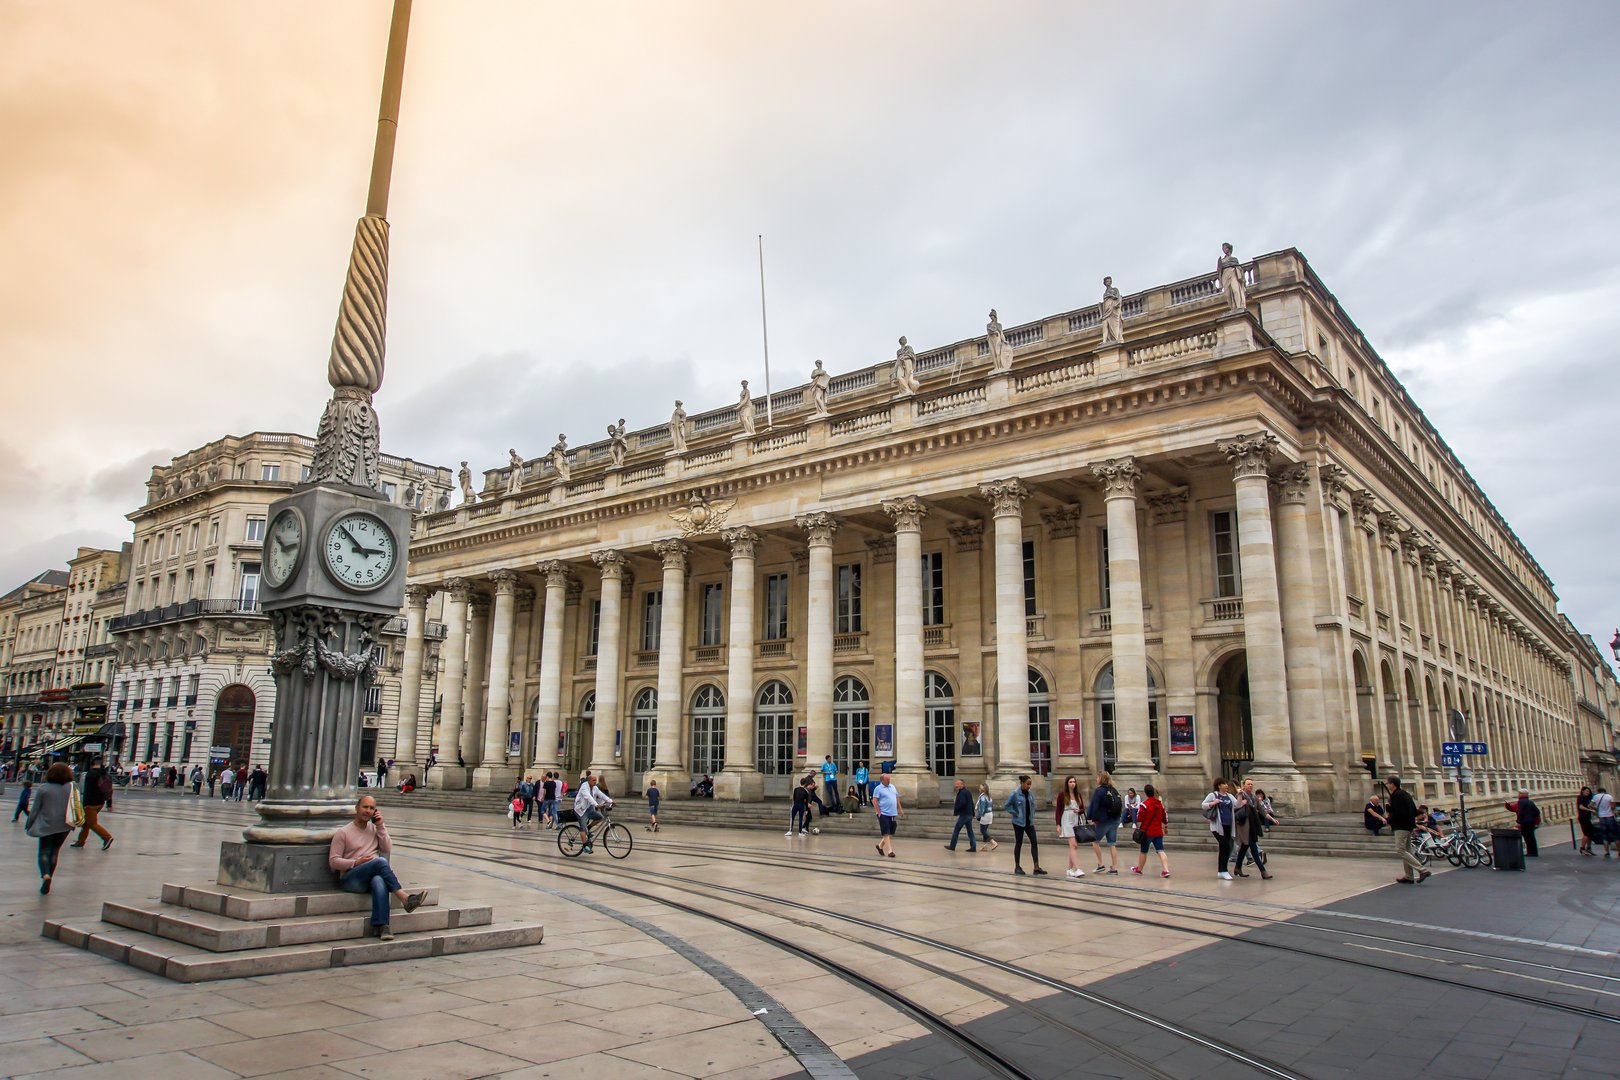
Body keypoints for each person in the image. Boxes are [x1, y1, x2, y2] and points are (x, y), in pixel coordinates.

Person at [329, 795, 427, 940]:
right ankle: (404, 897)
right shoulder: (343, 832)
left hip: (371, 876)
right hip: (351, 878)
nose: (368, 811)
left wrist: (380, 825)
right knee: (380, 862)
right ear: (356, 808)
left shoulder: (375, 829)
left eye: (371, 808)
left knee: (378, 881)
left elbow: (386, 848)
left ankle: (382, 926)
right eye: (365, 807)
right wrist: (356, 862)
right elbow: (333, 861)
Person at [27, 762, 76, 894]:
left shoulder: (44, 788)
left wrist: (29, 824)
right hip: (64, 825)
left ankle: (45, 876)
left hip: (46, 825)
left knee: (44, 851)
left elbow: (35, 810)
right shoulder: (71, 788)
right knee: (55, 851)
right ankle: (50, 877)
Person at [1384, 775, 1430, 885]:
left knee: (1400, 850)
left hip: (1401, 826)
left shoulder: (1397, 796)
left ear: (1392, 784)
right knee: (1407, 850)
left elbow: (1400, 813)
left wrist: (1389, 817)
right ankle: (1409, 876)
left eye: (1388, 783)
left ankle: (1422, 870)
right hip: (1409, 825)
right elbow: (1414, 810)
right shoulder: (1405, 794)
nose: (1387, 785)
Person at [1003, 774, 1046, 876]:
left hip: (1029, 822)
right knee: (1019, 843)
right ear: (1022, 783)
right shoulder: (1015, 794)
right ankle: (1017, 866)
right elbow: (1007, 805)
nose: (1029, 786)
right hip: (1018, 823)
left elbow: (1032, 805)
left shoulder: (1030, 794)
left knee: (1034, 842)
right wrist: (1015, 813)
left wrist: (1032, 814)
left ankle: (1036, 867)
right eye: (1027, 784)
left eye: (1030, 784)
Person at [1232, 778, 1273, 879]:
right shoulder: (1240, 795)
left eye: (1251, 784)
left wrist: (1272, 819)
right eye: (1248, 784)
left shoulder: (1254, 797)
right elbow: (1236, 806)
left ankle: (1237, 867)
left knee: (1245, 847)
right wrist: (1241, 798)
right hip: (1244, 825)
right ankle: (1263, 871)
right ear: (1244, 785)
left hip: (1253, 825)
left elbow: (1262, 810)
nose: (1250, 786)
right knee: (1253, 848)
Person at [71, 757, 114, 851]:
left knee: (92, 824)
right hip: (101, 802)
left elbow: (88, 791)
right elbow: (109, 790)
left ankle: (107, 837)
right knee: (86, 823)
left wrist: (84, 804)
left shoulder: (90, 774)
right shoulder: (106, 774)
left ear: (91, 764)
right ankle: (80, 842)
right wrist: (109, 804)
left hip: (91, 803)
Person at [1087, 770, 1124, 875]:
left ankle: (1100, 864)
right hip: (1115, 819)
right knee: (1112, 844)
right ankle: (1114, 867)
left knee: (1095, 841)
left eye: (1097, 777)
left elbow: (1094, 805)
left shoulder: (1099, 791)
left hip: (1103, 820)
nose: (1096, 779)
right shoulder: (1114, 790)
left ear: (1101, 779)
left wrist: (1090, 818)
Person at [1133, 784, 1171, 878]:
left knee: (1143, 851)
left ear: (1145, 793)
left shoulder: (1144, 804)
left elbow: (1139, 817)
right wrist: (1165, 826)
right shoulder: (1159, 804)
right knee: (1160, 850)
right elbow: (1165, 818)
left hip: (1147, 832)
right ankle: (1166, 870)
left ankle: (1139, 869)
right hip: (1158, 831)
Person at [1201, 779, 1237, 880]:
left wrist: (1240, 796)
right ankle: (1223, 870)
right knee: (1225, 846)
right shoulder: (1213, 795)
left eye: (1226, 784)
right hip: (1217, 826)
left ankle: (1222, 870)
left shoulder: (1229, 796)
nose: (1226, 785)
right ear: (1219, 786)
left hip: (1228, 825)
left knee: (1226, 847)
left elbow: (1237, 804)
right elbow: (1203, 805)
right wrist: (1213, 803)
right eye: (1224, 784)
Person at [574, 772, 612, 853]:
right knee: (582, 827)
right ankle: (585, 846)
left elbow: (601, 795)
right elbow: (588, 796)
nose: (595, 782)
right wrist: (596, 804)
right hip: (581, 810)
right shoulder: (584, 786)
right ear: (589, 780)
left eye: (596, 780)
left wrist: (610, 801)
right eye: (593, 780)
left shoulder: (594, 788)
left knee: (600, 817)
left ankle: (588, 828)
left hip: (589, 808)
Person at [1056, 775, 1085, 878]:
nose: (1073, 784)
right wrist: (1058, 824)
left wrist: (1079, 811)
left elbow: (1082, 809)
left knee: (1073, 846)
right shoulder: (1062, 795)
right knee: (1073, 845)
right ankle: (1077, 868)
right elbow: (1058, 810)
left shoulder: (1078, 795)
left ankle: (1069, 869)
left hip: (1076, 819)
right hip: (1067, 819)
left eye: (1074, 782)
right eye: (1070, 782)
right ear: (1067, 783)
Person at [872, 771, 903, 858]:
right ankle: (890, 851)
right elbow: (874, 800)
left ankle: (880, 846)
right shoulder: (878, 788)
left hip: (892, 813)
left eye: (889, 779)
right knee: (886, 832)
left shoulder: (892, 786)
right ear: (882, 780)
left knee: (890, 831)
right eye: (887, 780)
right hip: (883, 813)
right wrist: (879, 812)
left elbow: (896, 798)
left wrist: (900, 809)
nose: (889, 781)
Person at [1504, 789, 1541, 858]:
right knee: (1531, 838)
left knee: (1527, 838)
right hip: (1531, 822)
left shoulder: (1520, 802)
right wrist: (1537, 822)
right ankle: (1533, 852)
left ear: (1520, 794)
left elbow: (1519, 812)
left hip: (1524, 823)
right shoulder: (1530, 802)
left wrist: (1519, 822)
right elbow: (1537, 812)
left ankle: (1530, 852)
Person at [944, 778, 978, 853]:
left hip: (964, 814)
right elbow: (971, 803)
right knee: (970, 831)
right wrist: (973, 813)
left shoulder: (962, 793)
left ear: (962, 785)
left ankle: (952, 846)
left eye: (957, 784)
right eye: (956, 784)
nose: (956, 785)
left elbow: (963, 803)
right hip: (969, 814)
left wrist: (957, 809)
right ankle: (973, 846)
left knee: (956, 830)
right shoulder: (967, 792)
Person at [1593, 786, 1618, 858]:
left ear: (1598, 791)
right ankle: (1619, 851)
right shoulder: (1609, 796)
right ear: (1605, 791)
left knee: (1604, 836)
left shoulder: (1595, 797)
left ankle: (1607, 852)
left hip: (1602, 818)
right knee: (1615, 835)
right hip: (1610, 816)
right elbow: (1613, 807)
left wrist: (1598, 809)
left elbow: (1591, 805)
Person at [975, 783, 999, 850]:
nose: (979, 789)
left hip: (985, 815)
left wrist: (978, 816)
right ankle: (984, 846)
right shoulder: (988, 797)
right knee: (985, 830)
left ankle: (993, 842)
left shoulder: (982, 797)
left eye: (980, 788)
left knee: (982, 830)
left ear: (983, 789)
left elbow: (982, 809)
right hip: (989, 814)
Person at [1577, 786, 1597, 856]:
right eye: (1586, 791)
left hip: (1588, 817)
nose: (1588, 793)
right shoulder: (1580, 798)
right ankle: (1582, 848)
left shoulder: (1587, 798)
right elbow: (1580, 807)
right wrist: (1590, 810)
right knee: (1586, 833)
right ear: (1582, 791)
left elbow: (1589, 805)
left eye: (1588, 791)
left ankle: (1589, 848)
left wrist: (1593, 808)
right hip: (1583, 817)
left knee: (1590, 833)